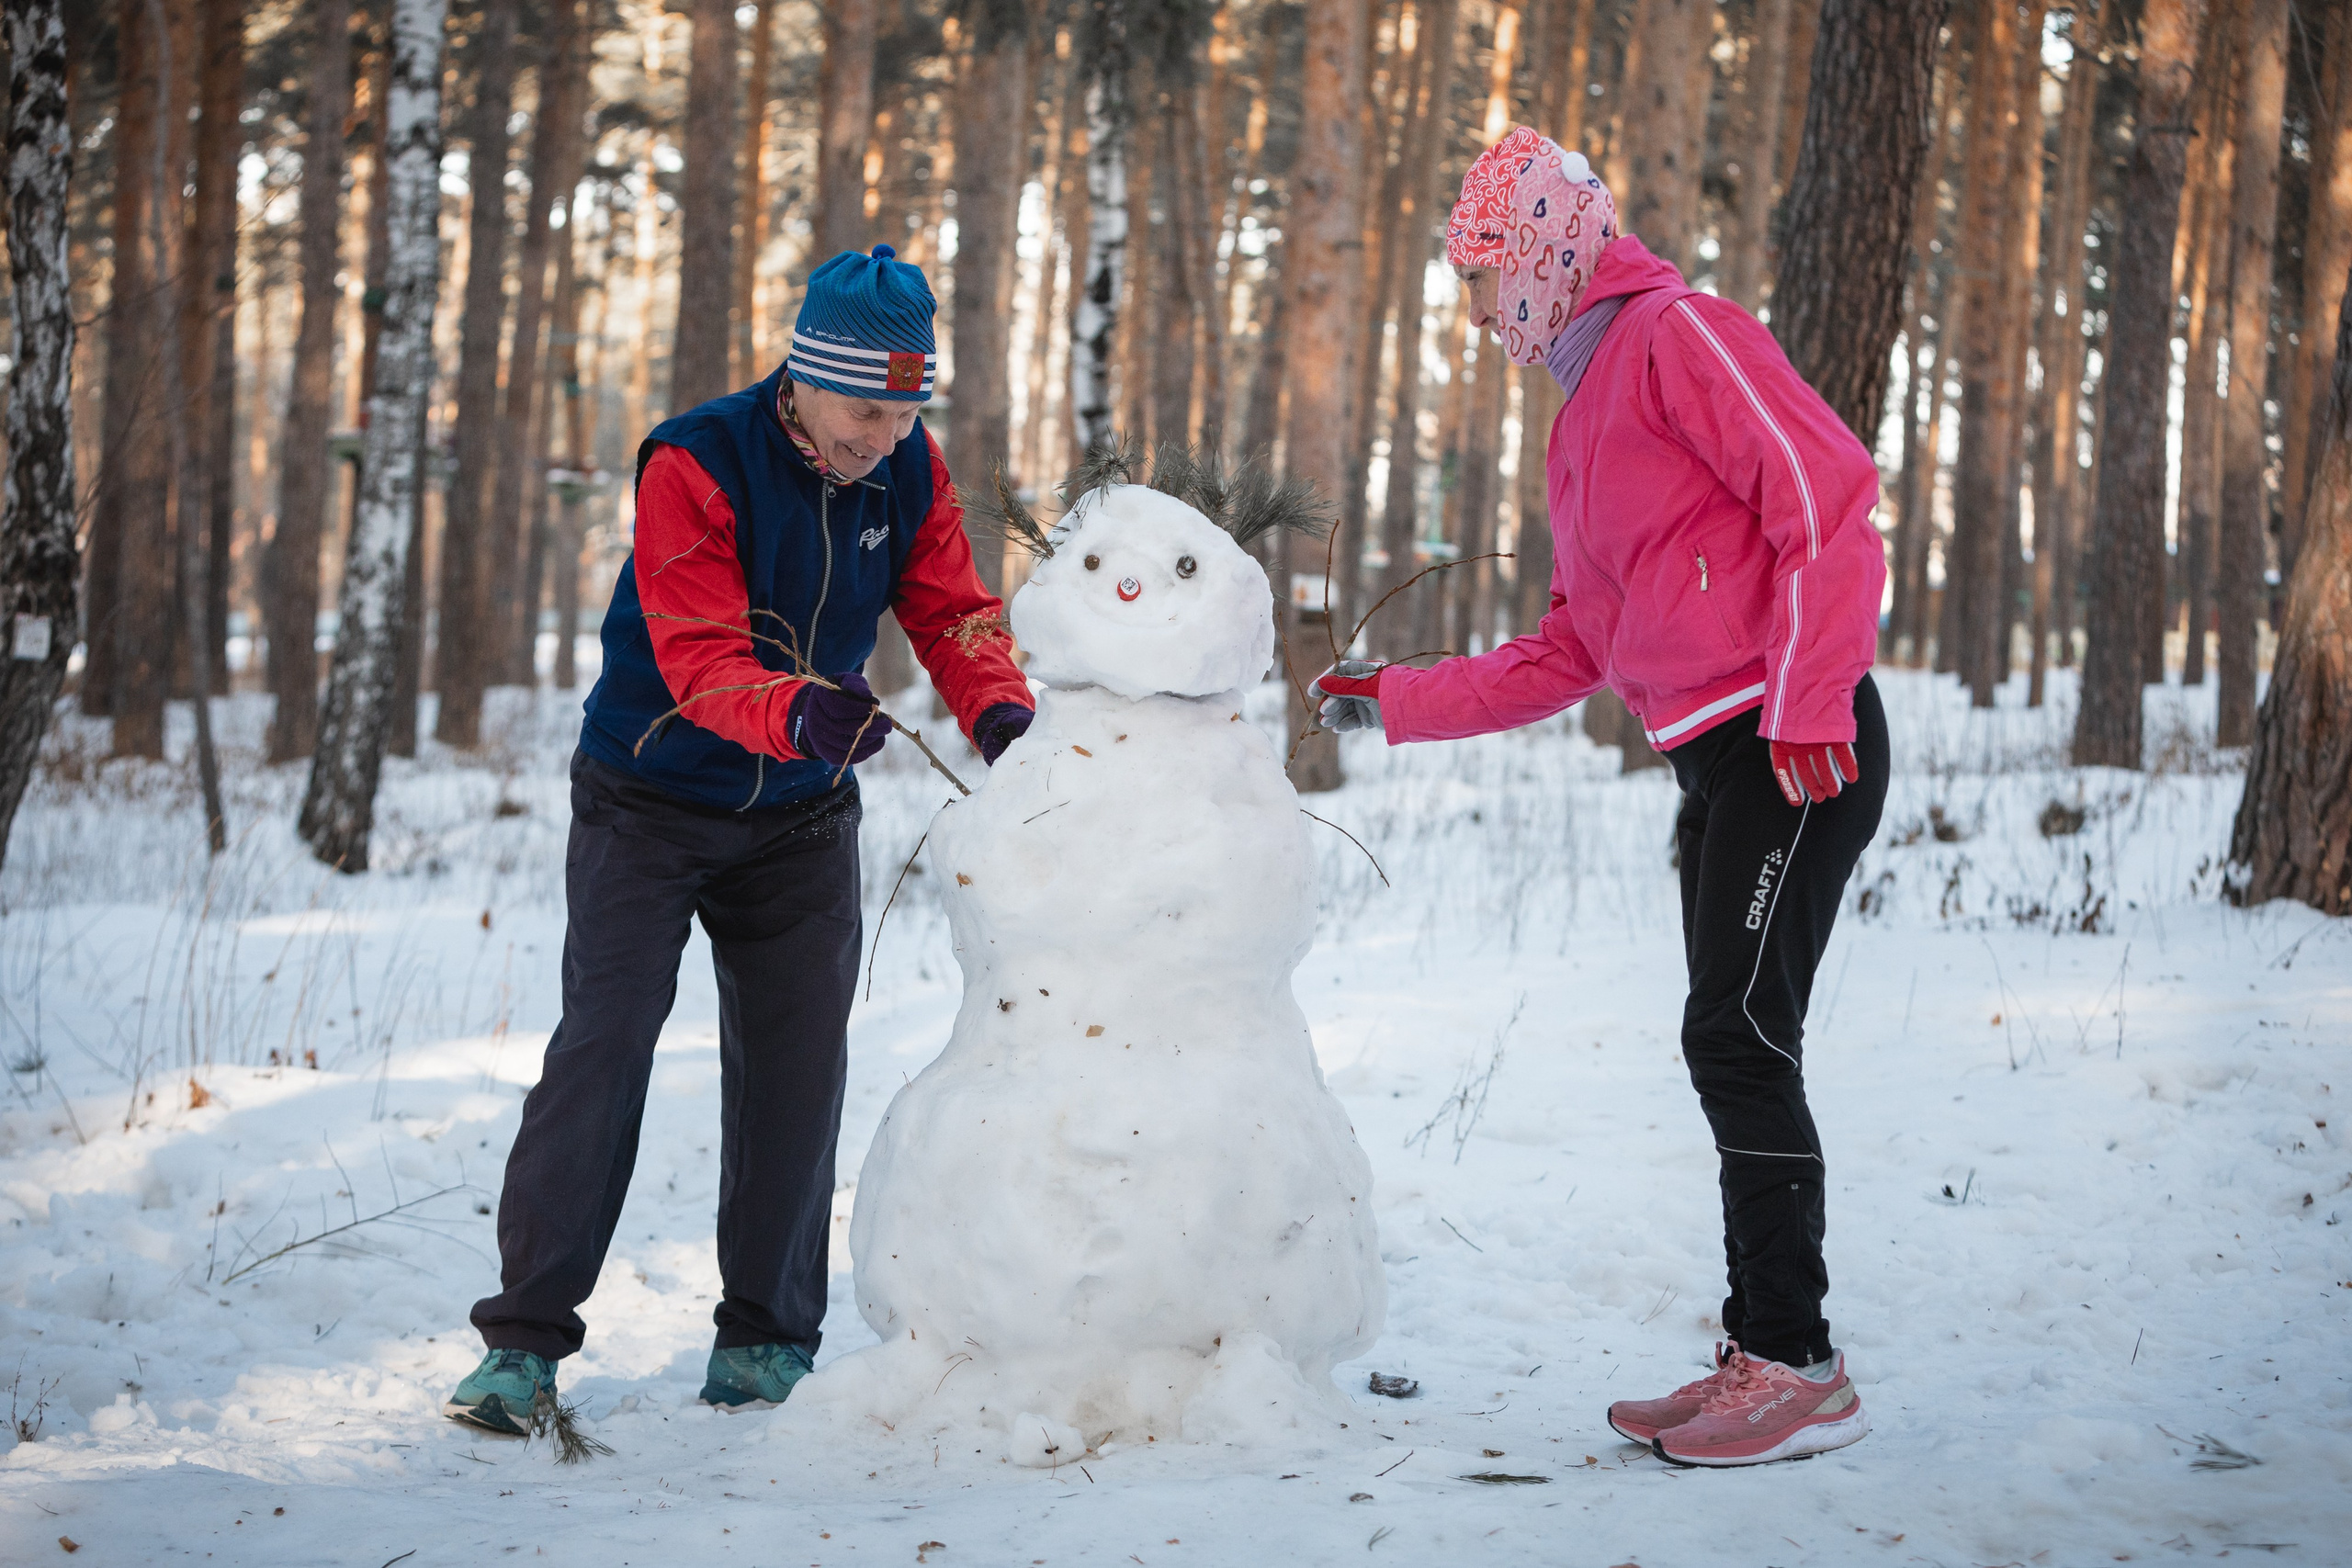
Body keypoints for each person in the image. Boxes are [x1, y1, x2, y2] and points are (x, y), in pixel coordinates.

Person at [1311, 129, 1889, 1469]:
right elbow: (1572, 648)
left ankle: (1795, 1367)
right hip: (1719, 754)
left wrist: (1806, 706)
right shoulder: (1584, 418)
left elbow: (1828, 499)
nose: (1471, 308)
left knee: (1734, 1033)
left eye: (1480, 274)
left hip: (1794, 741)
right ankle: (1770, 1353)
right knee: (1736, 1039)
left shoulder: (1683, 336)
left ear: (1547, 255)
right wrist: (1394, 697)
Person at [447, 245, 1035, 1434]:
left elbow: (953, 609)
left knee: (796, 1066)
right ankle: (521, 1345)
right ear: (805, 381)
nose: (886, 434)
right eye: (867, 408)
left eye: (907, 408)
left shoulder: (907, 471)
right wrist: (796, 710)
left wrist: (1004, 719)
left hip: (800, 819)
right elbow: (697, 652)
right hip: (650, 801)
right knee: (604, 1047)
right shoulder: (697, 461)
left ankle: (766, 1338)